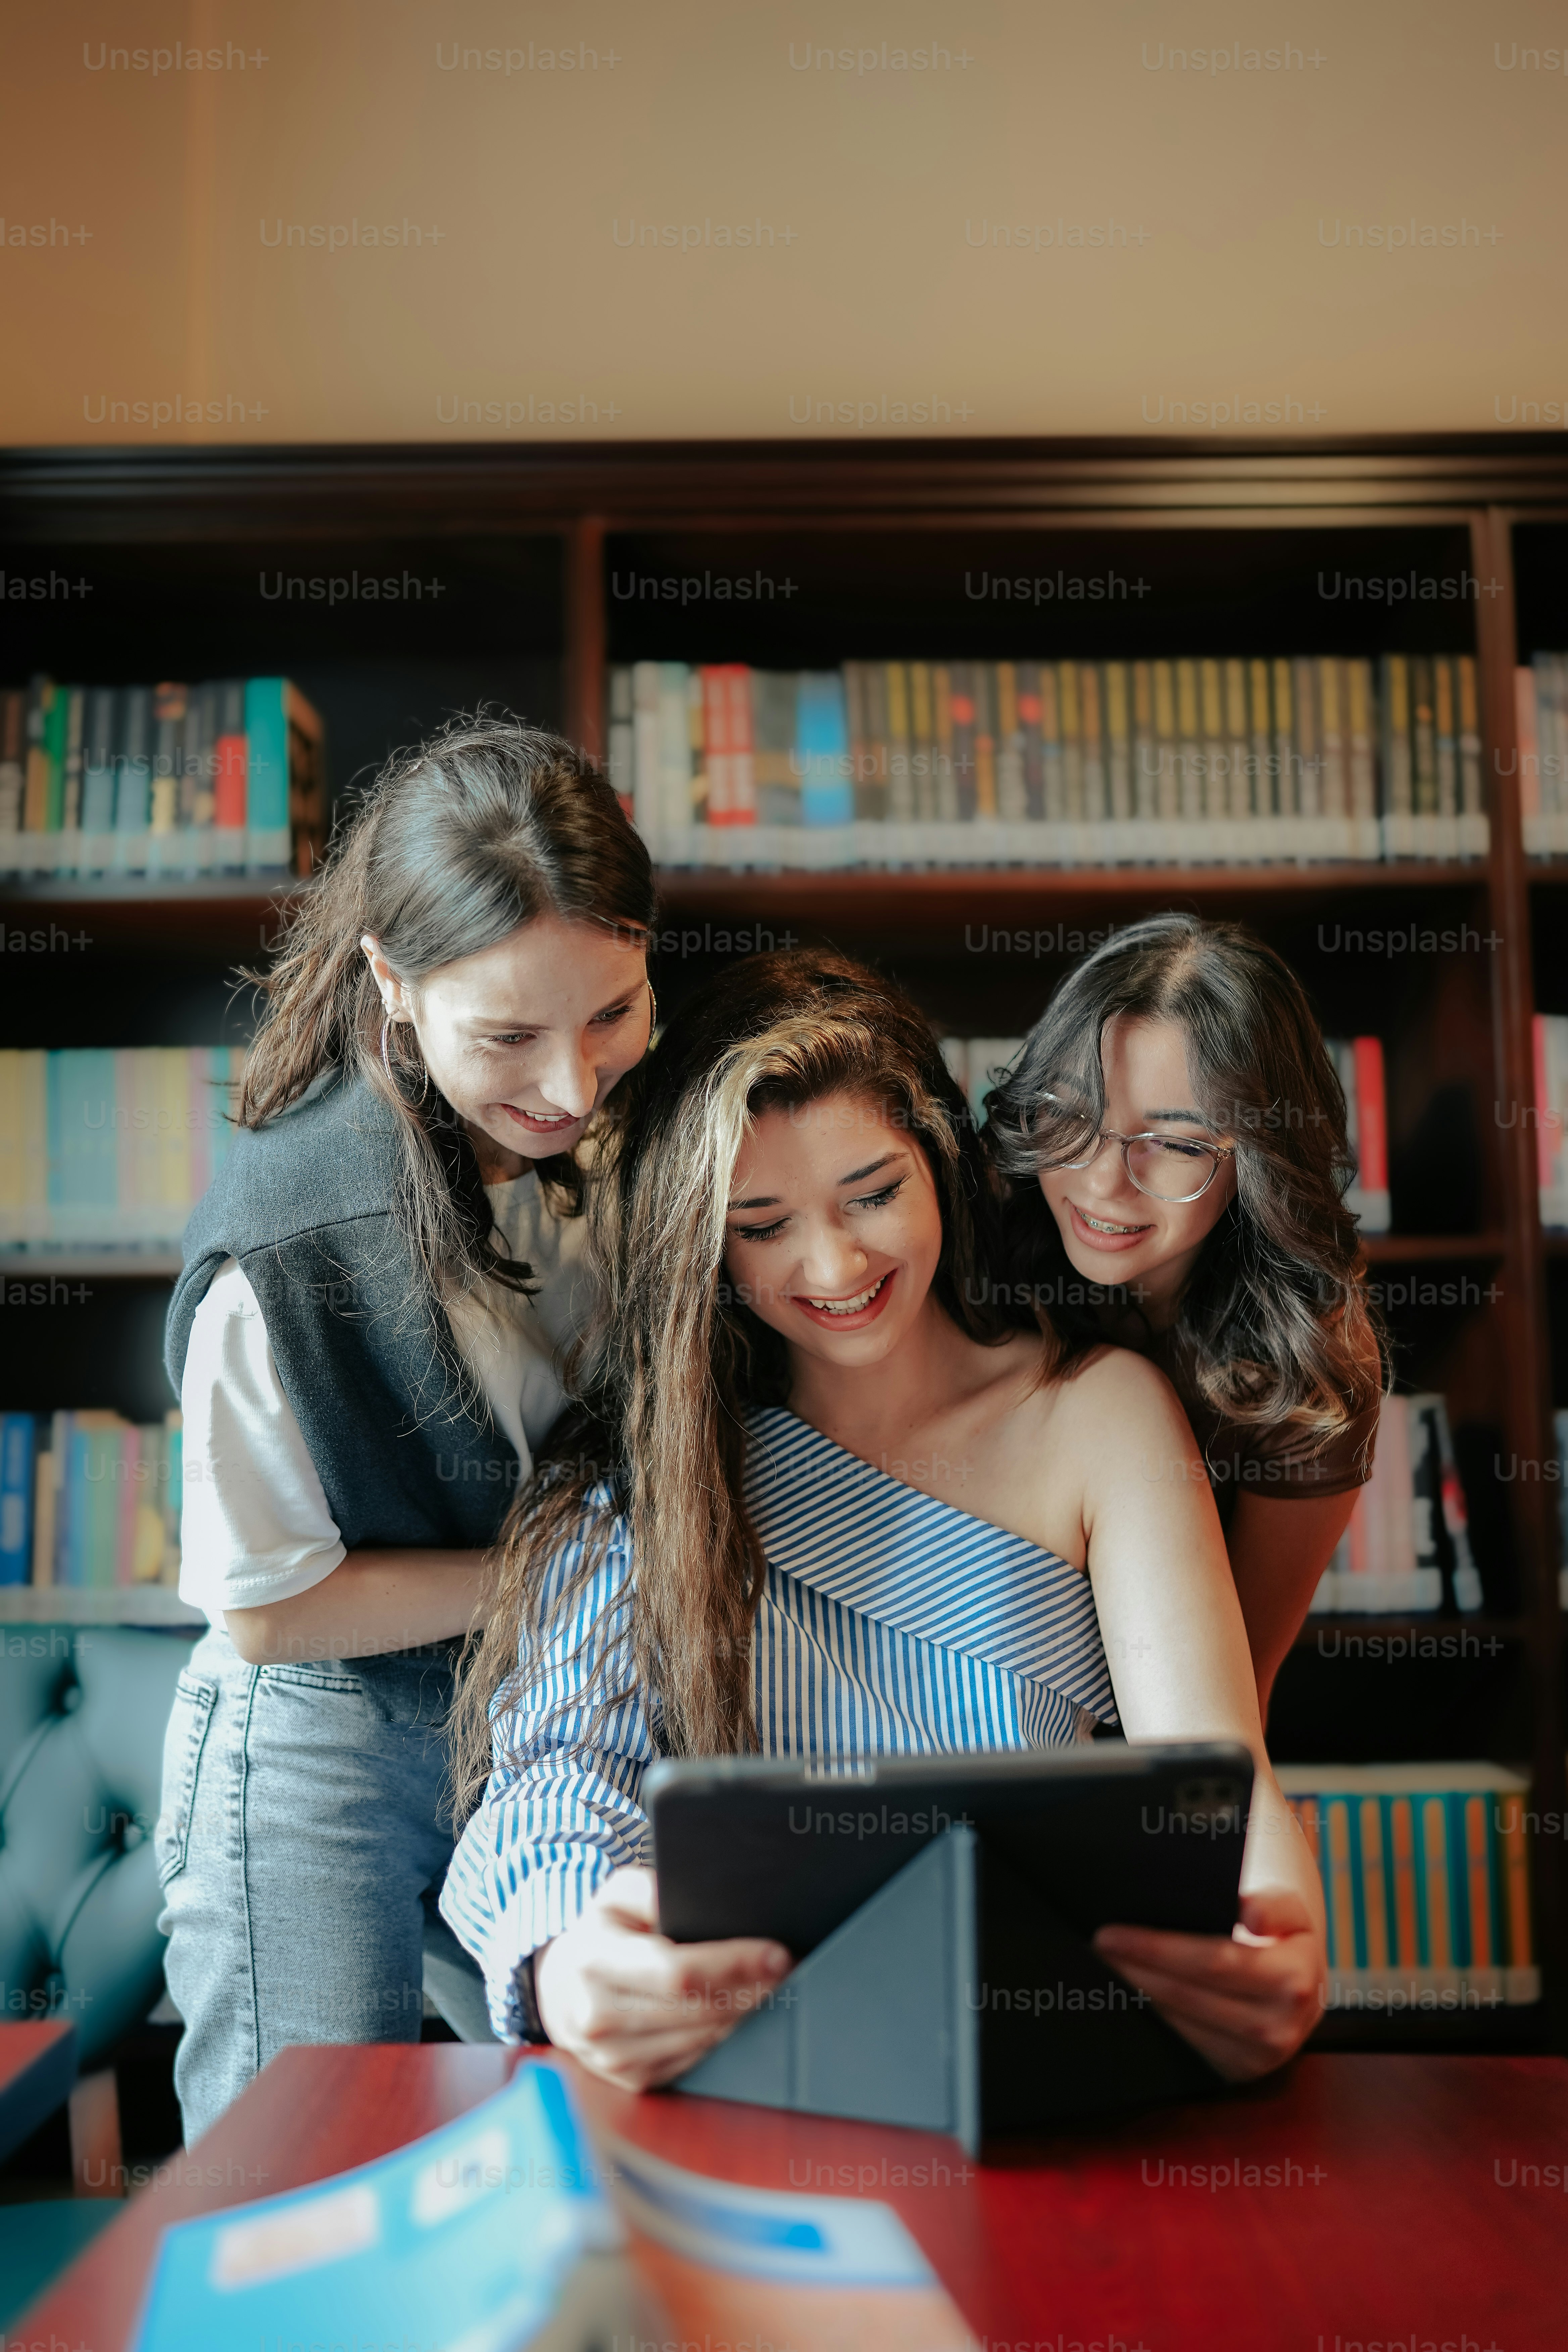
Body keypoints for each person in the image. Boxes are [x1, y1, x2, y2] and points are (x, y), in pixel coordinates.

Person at [442, 948, 1326, 2091]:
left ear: (941, 1164)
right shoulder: (660, 1464)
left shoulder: (1095, 1413)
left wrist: (1282, 1940)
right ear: (700, 1245)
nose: (837, 1261)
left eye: (873, 1192)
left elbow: (1214, 1771)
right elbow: (554, 1775)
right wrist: (568, 1960)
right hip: (750, 2066)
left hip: (1038, 2059)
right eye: (762, 1225)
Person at [156, 715, 655, 2142]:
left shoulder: (625, 1136)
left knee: (564, 2142)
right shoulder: (295, 1240)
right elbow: (267, 1616)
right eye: (508, 1037)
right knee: (298, 2179)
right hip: (317, 1738)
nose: (572, 1088)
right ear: (392, 980)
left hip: (532, 1725)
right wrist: (576, 1560)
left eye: (612, 1011)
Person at [984, 913, 1385, 1716]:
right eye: (1068, 1115)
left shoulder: (1306, 1361)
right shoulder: (974, 1252)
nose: (1102, 1184)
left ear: (1260, 1161)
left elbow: (1236, 1690)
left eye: (1172, 1145)